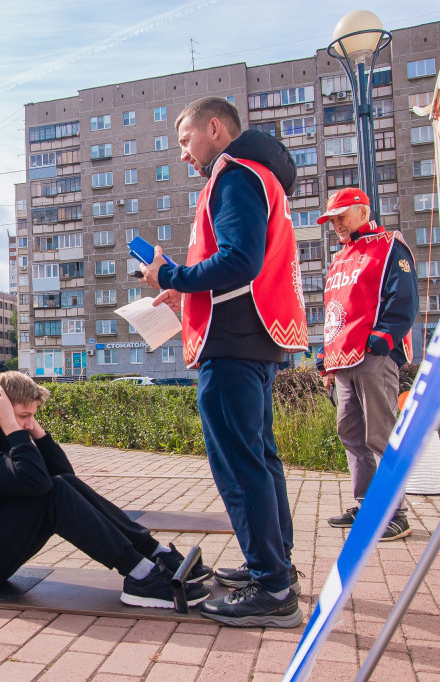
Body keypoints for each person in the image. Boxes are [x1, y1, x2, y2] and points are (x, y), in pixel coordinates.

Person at [139, 97, 307, 627]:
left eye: (186, 140)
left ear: (215, 129)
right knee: (259, 457)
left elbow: (239, 260)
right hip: (254, 337)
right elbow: (243, 264)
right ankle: (274, 565)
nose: (184, 154)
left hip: (231, 341)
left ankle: (271, 587)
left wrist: (170, 277)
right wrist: (184, 293)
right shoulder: (260, 175)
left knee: (237, 463)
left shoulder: (233, 175)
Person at [0, 362, 213, 609]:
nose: (27, 425)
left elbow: (63, 475)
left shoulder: (5, 437)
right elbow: (39, 486)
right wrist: (14, 427)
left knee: (62, 484)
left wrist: (31, 428)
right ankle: (141, 577)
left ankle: (155, 553)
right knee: (53, 493)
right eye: (23, 417)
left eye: (32, 417)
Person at [316, 187, 418, 540]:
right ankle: (365, 504)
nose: (337, 225)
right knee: (351, 435)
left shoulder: (390, 245)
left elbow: (403, 299)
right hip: (342, 361)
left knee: (381, 435)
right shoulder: (340, 256)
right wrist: (324, 356)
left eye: (342, 216)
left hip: (372, 358)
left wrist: (381, 342)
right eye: (332, 220)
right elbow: (334, 309)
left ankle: (396, 513)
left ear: (363, 211)